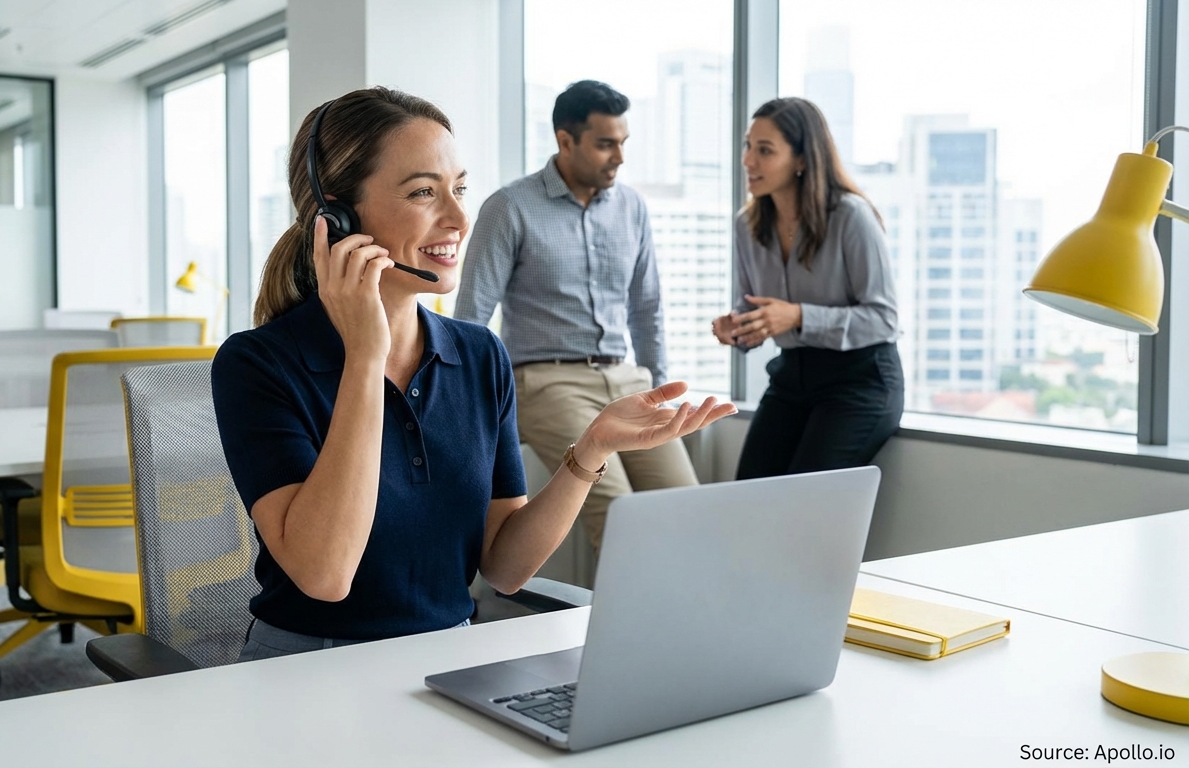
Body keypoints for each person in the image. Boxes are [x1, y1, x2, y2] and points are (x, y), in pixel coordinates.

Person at [212, 87, 735, 660]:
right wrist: (366, 357)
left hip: (447, 663)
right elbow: (326, 574)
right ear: (335, 218)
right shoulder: (257, 364)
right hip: (307, 670)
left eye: (459, 189)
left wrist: (592, 449)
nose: (460, 217)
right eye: (423, 192)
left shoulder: (481, 355)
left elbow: (505, 568)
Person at [454, 80, 699, 554]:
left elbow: (647, 308)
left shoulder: (632, 208)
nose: (620, 157)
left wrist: (659, 389)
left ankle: (694, 625)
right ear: (565, 141)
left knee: (687, 509)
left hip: (629, 381)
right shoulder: (511, 207)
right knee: (620, 518)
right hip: (546, 382)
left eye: (623, 143)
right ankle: (634, 629)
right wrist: (467, 416)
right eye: (606, 144)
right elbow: (471, 319)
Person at [712, 97, 903, 480]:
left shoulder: (851, 216)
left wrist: (798, 316)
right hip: (791, 377)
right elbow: (752, 310)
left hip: (860, 380)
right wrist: (738, 329)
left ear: (801, 160)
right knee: (747, 495)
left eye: (765, 150)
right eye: (749, 146)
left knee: (804, 499)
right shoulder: (747, 225)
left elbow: (884, 320)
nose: (749, 160)